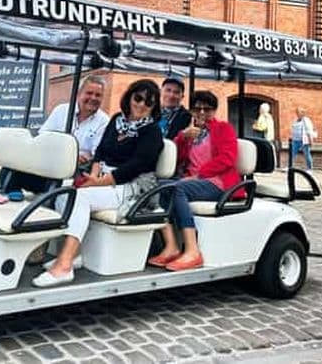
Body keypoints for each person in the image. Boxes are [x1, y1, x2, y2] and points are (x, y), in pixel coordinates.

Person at [33, 79, 163, 287]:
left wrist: (99, 182)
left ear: (154, 107)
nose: (141, 104)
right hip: (104, 179)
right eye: (137, 98)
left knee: (80, 197)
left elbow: (137, 166)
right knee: (65, 190)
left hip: (131, 187)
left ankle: (64, 265)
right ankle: (74, 255)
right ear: (129, 97)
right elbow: (101, 152)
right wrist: (92, 178)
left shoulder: (152, 131)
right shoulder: (116, 121)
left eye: (148, 102)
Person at [147, 90, 241, 272]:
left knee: (177, 189)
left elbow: (227, 158)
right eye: (197, 109)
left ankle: (192, 249)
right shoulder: (193, 133)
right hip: (193, 181)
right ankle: (171, 246)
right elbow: (179, 158)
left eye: (208, 109)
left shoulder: (223, 129)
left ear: (215, 110)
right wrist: (182, 138)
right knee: (157, 187)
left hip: (218, 183)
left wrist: (200, 175)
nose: (202, 113)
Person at [40, 75, 110, 163]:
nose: (93, 98)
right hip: (53, 162)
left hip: (81, 170)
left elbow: (97, 154)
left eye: (98, 95)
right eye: (89, 93)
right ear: (78, 94)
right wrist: (70, 155)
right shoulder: (61, 110)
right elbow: (43, 136)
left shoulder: (104, 122)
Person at [158, 76, 192, 141]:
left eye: (176, 92)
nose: (171, 95)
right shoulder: (151, 112)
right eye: (168, 90)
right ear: (161, 92)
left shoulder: (188, 118)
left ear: (182, 96)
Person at [290, 107, 317, 172]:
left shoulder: (306, 120)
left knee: (307, 154)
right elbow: (293, 129)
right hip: (295, 140)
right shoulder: (295, 120)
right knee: (292, 153)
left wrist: (311, 141)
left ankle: (310, 168)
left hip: (303, 140)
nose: (297, 114)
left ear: (302, 113)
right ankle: (289, 166)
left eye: (298, 112)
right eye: (297, 112)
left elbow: (309, 131)